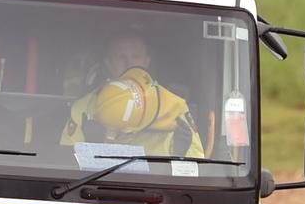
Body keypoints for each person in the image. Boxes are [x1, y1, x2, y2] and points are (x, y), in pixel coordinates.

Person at [60, 33, 204, 158]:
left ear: (146, 61)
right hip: (97, 188)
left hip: (158, 188)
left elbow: (196, 168)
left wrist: (180, 155)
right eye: (120, 57)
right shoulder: (83, 108)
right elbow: (67, 164)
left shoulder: (175, 106)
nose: (129, 63)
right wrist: (91, 146)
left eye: (136, 56)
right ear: (108, 63)